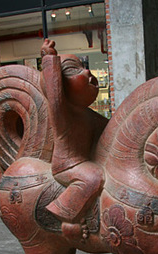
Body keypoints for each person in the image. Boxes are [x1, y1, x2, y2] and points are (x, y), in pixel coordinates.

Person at [40, 39, 108, 224]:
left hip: (86, 159)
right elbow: (54, 93)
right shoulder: (62, 112)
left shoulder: (88, 115)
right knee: (94, 176)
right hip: (68, 165)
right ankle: (62, 210)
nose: (87, 72)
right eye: (73, 70)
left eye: (83, 67)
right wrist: (48, 60)